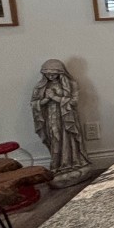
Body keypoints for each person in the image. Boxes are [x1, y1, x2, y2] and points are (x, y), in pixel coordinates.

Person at [30, 59, 93, 188]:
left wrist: (55, 97)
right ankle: (57, 165)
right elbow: (34, 103)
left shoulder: (70, 84)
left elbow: (74, 102)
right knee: (55, 139)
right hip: (51, 118)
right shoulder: (41, 87)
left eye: (54, 74)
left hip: (67, 118)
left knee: (69, 140)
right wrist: (46, 99)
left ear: (61, 73)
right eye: (48, 74)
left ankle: (74, 163)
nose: (51, 77)